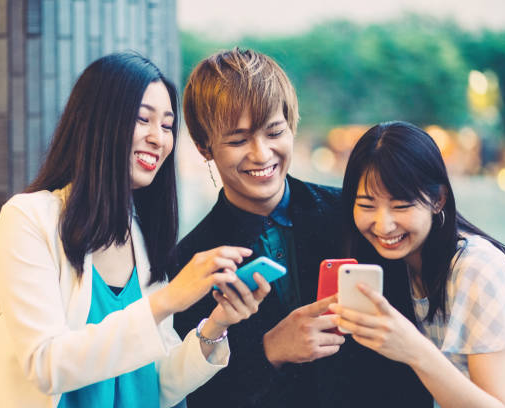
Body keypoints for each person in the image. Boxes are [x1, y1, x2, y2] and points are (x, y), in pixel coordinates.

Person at [0, 52, 271, 408]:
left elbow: (155, 384)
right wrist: (169, 299)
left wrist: (216, 325)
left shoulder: (143, 237)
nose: (158, 138)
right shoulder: (28, 219)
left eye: (166, 125)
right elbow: (45, 363)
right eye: (142, 119)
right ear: (97, 122)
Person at [172, 48, 432, 407]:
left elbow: (409, 335)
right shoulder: (190, 262)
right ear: (204, 147)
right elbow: (197, 396)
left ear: (292, 125)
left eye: (274, 132)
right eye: (237, 140)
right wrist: (270, 350)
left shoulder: (354, 215)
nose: (262, 154)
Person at [331, 121, 505, 407]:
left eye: (401, 205)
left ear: (438, 200)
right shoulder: (401, 264)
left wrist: (414, 350)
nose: (383, 225)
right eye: (366, 205)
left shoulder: (476, 268)